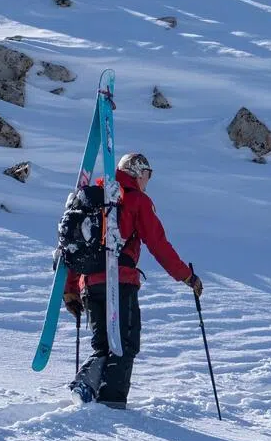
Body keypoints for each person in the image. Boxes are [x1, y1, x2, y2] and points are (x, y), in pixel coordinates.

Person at [65, 153, 203, 409]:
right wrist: (186, 275)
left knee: (104, 344)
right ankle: (110, 405)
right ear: (138, 172)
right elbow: (158, 244)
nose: (148, 181)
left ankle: (90, 392)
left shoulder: (92, 198)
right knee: (124, 344)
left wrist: (70, 289)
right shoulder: (135, 199)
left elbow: (73, 245)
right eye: (148, 175)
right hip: (120, 282)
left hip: (89, 284)